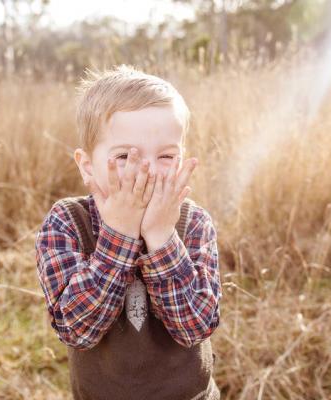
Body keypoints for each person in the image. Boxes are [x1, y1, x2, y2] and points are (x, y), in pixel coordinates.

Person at [35, 64, 222, 399]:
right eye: (124, 155)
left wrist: (163, 238)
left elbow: (196, 326)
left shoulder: (193, 223)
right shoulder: (67, 222)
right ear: (87, 166)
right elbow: (77, 330)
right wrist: (118, 236)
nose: (146, 170)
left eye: (166, 155)